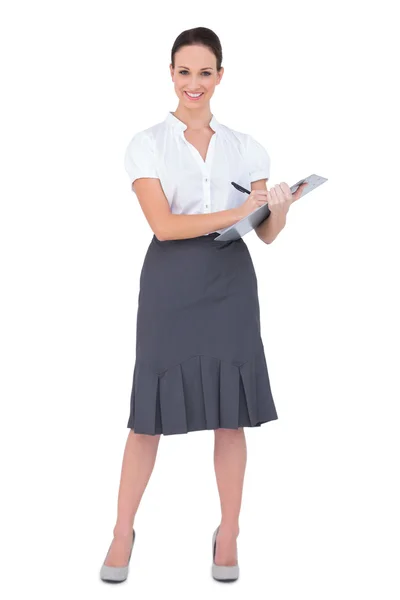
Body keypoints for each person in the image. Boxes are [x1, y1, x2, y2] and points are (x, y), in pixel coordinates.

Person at [100, 26, 307, 585]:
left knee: (231, 419)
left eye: (205, 72)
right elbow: (164, 226)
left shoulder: (248, 147)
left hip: (230, 286)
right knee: (148, 421)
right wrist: (241, 206)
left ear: (220, 76)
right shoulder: (146, 143)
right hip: (170, 286)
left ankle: (230, 532)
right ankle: (122, 532)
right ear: (171, 73)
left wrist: (279, 206)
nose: (195, 83)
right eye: (184, 71)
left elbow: (263, 235)